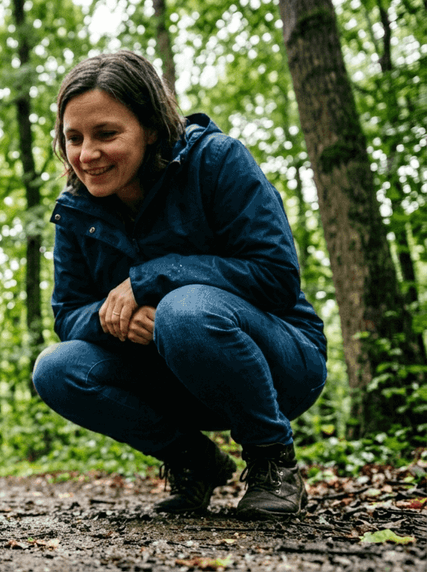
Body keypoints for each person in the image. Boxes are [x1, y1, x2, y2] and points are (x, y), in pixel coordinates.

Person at [32, 51, 327, 520]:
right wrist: (119, 322)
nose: (86, 154)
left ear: (150, 128)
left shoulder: (217, 161)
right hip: (168, 372)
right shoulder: (75, 210)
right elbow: (68, 314)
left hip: (281, 362)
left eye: (106, 134)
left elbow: (277, 276)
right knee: (55, 368)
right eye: (74, 138)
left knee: (184, 311)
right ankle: (196, 461)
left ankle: (273, 461)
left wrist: (151, 280)